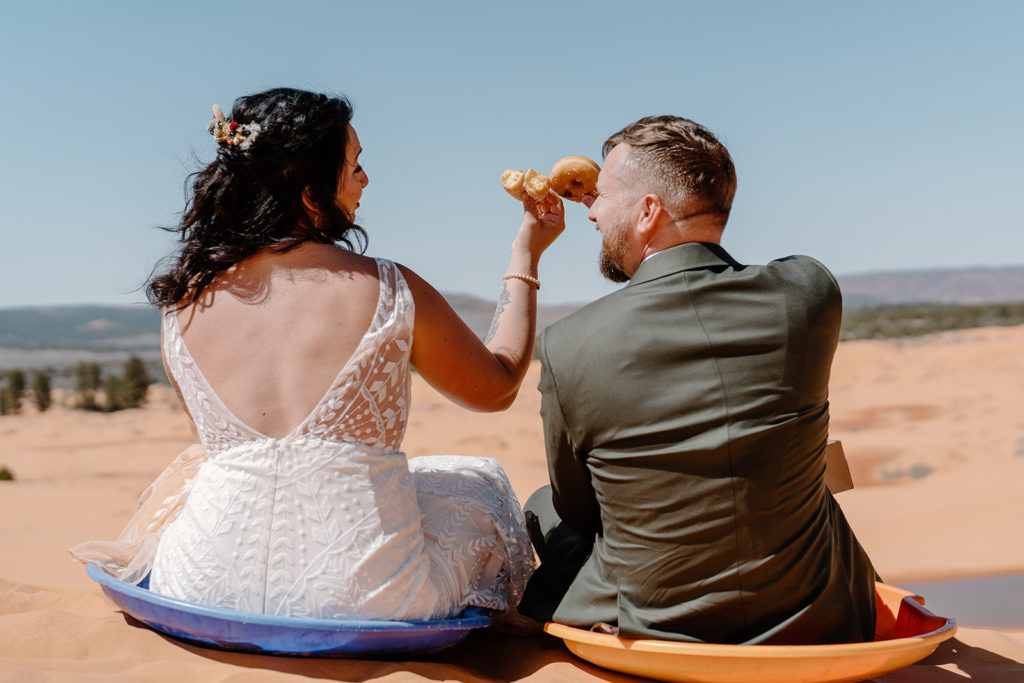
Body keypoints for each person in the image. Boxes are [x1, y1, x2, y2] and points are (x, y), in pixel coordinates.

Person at [72, 87, 564, 621]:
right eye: (353, 165)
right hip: (370, 593)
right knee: (477, 486)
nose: (364, 180)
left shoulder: (183, 301)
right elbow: (497, 386)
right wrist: (526, 255)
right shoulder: (391, 287)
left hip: (200, 581)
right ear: (309, 195)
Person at [516, 115, 878, 644]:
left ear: (647, 212)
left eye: (600, 196)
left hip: (656, 622)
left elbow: (578, 507)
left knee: (542, 504)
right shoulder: (809, 292)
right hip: (812, 614)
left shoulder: (569, 343)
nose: (590, 210)